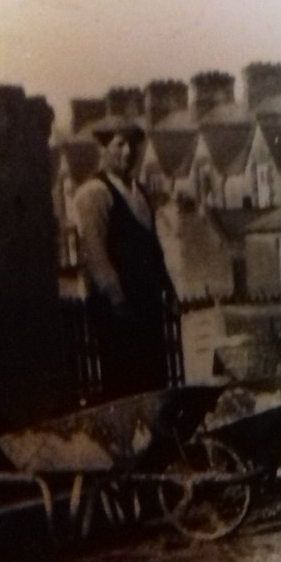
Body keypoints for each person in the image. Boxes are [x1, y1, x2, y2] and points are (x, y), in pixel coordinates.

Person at [73, 121, 178, 400]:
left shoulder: (139, 192)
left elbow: (153, 247)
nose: (128, 152)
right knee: (125, 385)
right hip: (118, 310)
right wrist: (116, 299)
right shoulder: (94, 193)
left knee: (154, 380)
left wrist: (167, 287)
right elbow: (95, 254)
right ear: (103, 148)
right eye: (119, 144)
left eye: (133, 145)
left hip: (147, 305)